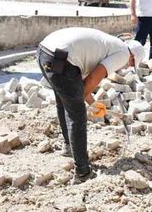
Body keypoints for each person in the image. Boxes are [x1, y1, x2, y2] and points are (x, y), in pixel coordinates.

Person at [37, 28, 146, 183]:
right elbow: (94, 77)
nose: (127, 67)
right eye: (131, 64)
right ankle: (82, 172)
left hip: (45, 52)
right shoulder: (123, 53)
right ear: (133, 57)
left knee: (64, 101)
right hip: (62, 59)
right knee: (77, 115)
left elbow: (80, 84)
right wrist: (81, 102)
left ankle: (69, 147)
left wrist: (93, 103)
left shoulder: (108, 44)